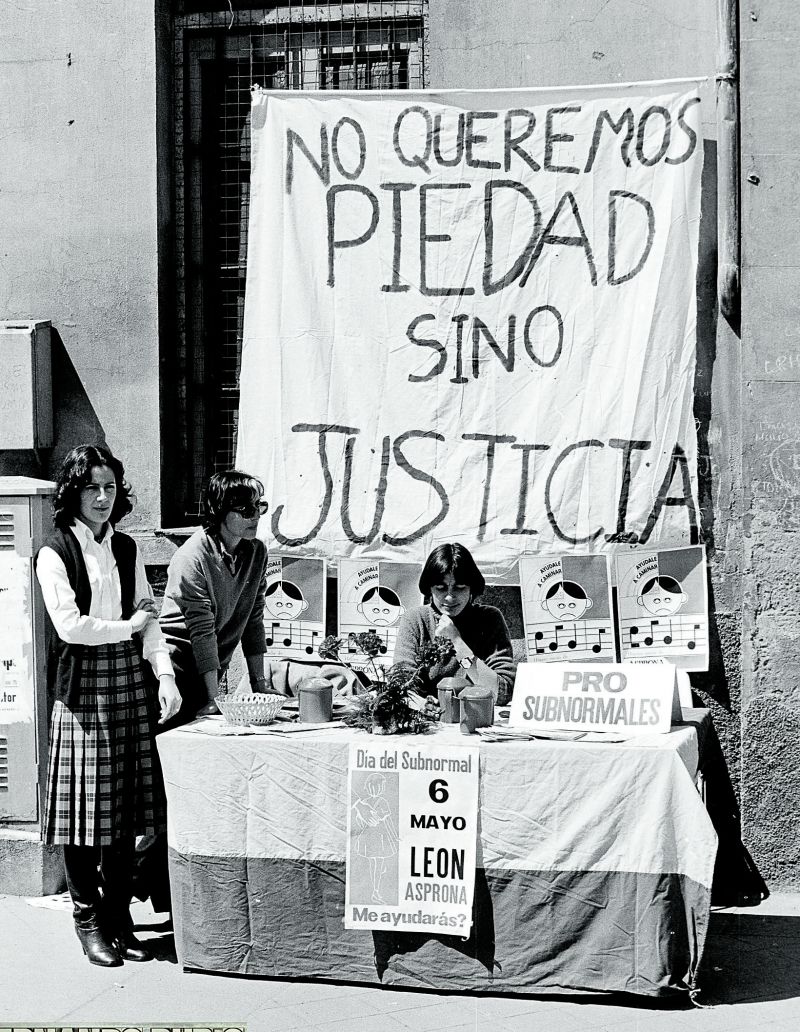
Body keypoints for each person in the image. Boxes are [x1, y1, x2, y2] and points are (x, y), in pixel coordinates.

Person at [35, 445, 182, 968]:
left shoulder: (124, 548)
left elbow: (147, 613)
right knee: (83, 818)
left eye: (110, 488)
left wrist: (163, 673)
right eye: (91, 488)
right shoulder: (55, 551)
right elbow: (70, 626)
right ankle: (88, 920)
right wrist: (129, 628)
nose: (102, 498)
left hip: (126, 683)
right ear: (73, 492)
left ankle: (119, 917)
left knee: (123, 814)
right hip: (82, 691)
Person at [159, 469, 275, 721]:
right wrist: (212, 699)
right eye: (245, 509)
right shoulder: (192, 557)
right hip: (177, 666)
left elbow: (253, 619)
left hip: (213, 664)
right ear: (220, 511)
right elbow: (202, 631)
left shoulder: (256, 552)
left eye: (258, 506)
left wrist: (260, 684)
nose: (255, 515)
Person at [392, 542, 516, 703]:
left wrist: (457, 642)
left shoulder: (489, 619)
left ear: (472, 588)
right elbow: (400, 684)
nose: (450, 597)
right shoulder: (415, 620)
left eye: (459, 588)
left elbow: (503, 692)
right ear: (429, 588)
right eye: (441, 588)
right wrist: (421, 705)